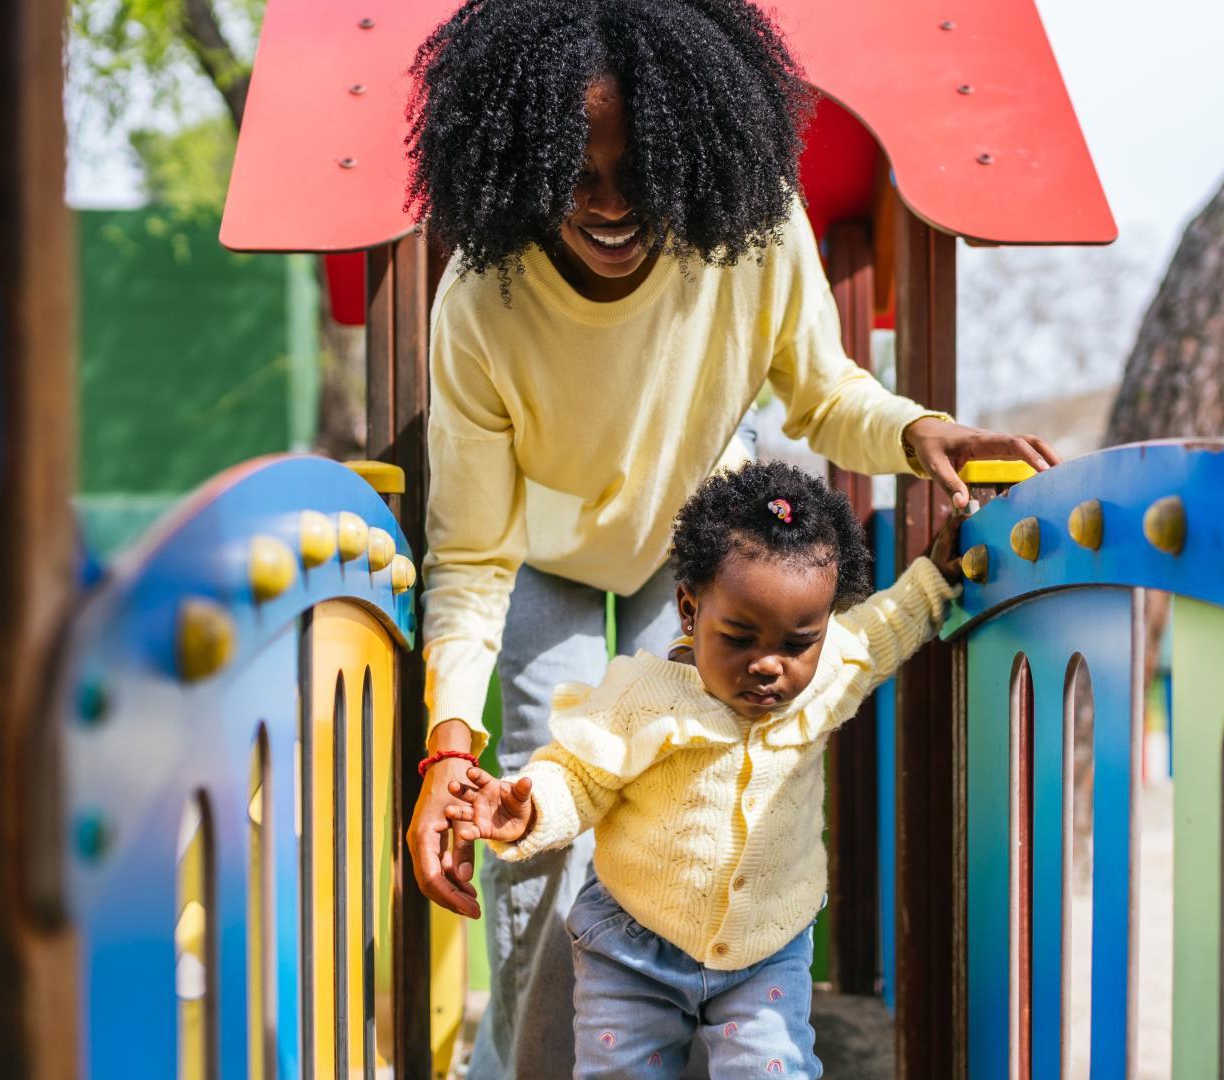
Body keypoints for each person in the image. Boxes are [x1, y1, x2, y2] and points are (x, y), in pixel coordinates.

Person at [400, 1, 1060, 1075]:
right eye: (577, 174)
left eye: (639, 173)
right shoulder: (485, 299)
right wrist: (446, 747)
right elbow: (472, 562)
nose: (610, 208)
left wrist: (918, 428)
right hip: (538, 557)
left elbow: (822, 390)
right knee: (543, 829)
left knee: (691, 790)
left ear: (689, 153)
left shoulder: (750, 230)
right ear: (523, 164)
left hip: (690, 553)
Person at [445, 462, 965, 1078]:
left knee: (774, 1068)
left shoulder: (829, 672)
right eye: (740, 637)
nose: (770, 664)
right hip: (632, 946)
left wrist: (934, 580)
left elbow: (884, 630)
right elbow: (579, 776)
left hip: (766, 946)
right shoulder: (644, 696)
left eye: (798, 642)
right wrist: (530, 809)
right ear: (690, 611)